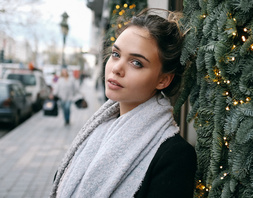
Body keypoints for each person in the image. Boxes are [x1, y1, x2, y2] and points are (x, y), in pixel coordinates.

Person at [50, 9, 197, 198]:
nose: (117, 68)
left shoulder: (175, 156)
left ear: (163, 80)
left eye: (136, 63)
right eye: (116, 54)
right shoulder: (96, 129)